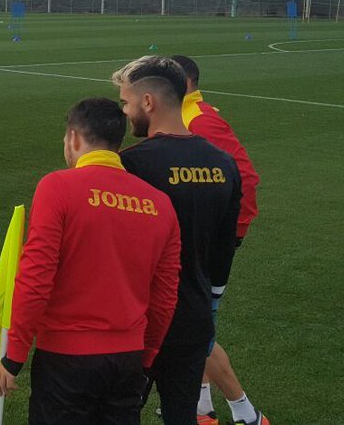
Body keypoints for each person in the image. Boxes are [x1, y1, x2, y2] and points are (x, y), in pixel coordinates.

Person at [0, 97, 181, 424]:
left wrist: (14, 356)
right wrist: (146, 358)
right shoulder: (160, 204)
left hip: (66, 359)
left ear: (74, 139)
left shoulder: (58, 187)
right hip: (127, 360)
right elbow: (165, 297)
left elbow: (36, 277)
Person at [111, 56, 241, 425]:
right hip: (195, 315)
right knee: (182, 415)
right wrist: (210, 302)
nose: (125, 110)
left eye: (126, 101)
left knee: (121, 411)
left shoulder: (132, 164)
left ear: (148, 102)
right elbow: (223, 250)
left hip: (142, 317)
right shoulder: (224, 164)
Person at [171, 55, 268, 425]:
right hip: (201, 238)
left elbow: (246, 177)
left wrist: (226, 235)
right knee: (192, 323)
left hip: (210, 242)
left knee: (195, 329)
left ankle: (247, 413)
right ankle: (202, 406)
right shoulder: (186, 116)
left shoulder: (200, 120)